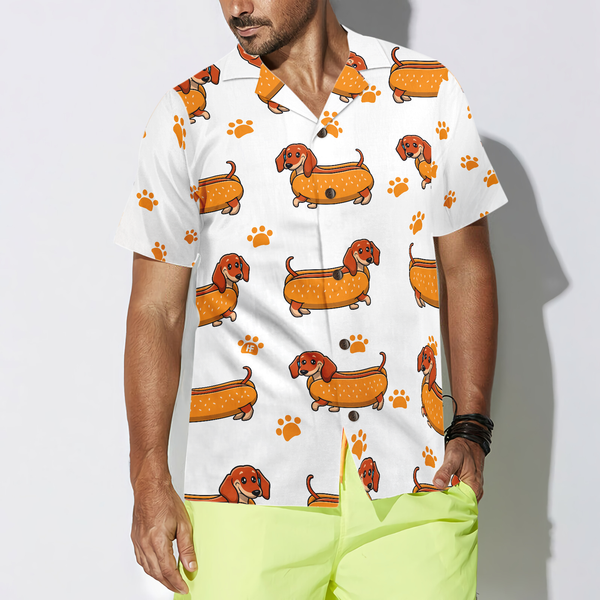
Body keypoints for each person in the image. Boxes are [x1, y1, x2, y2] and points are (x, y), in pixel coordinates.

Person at [115, 1, 507, 598]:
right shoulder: (190, 114)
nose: (237, 7)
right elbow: (155, 309)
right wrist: (148, 478)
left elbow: (467, 264)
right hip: (245, 494)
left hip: (416, 483)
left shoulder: (427, 92)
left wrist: (472, 426)